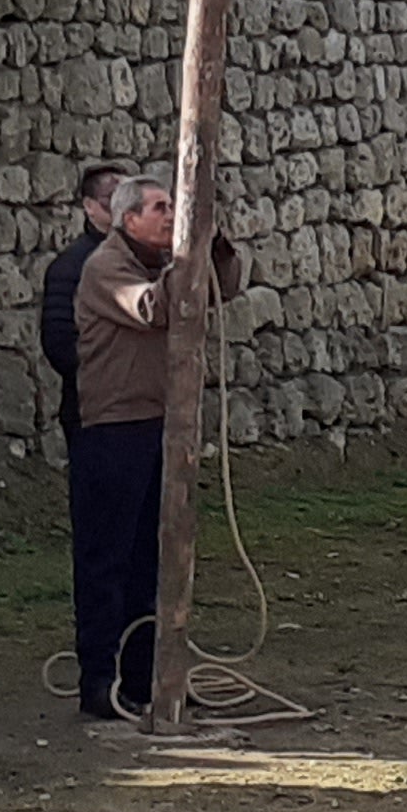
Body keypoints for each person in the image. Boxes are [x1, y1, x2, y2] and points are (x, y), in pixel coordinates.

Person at [67, 178, 244, 723]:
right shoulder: (105, 268)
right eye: (161, 208)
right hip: (115, 429)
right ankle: (100, 679)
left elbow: (221, 287)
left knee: (156, 559)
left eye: (174, 207)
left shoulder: (157, 262)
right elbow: (157, 308)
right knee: (108, 560)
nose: (171, 216)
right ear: (128, 219)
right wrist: (186, 259)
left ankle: (147, 676)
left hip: (161, 425)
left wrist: (213, 247)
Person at [39, 162, 129, 442]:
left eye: (127, 197)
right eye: (111, 198)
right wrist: (110, 378)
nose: (121, 206)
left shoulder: (147, 259)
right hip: (94, 408)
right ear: (90, 207)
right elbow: (59, 341)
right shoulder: (70, 266)